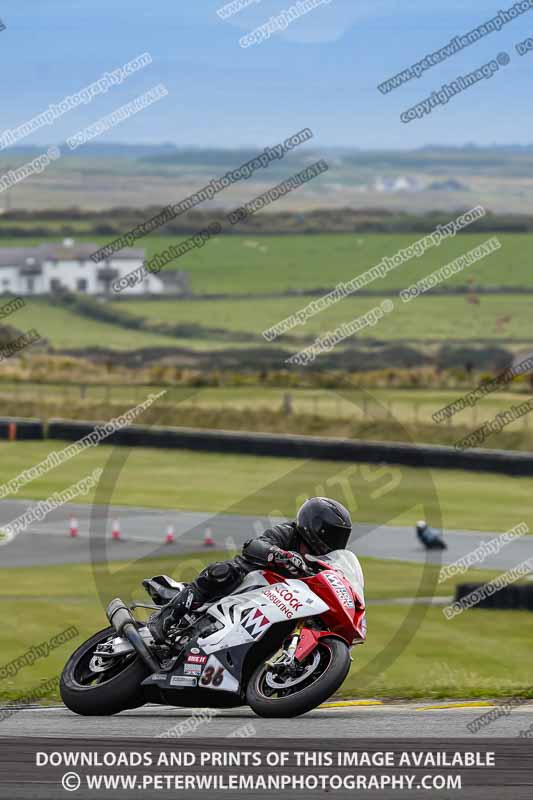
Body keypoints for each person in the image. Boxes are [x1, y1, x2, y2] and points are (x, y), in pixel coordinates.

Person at [149, 496, 352, 644]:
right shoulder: (288, 533)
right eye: (333, 535)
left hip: (281, 605)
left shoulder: (323, 562)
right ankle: (166, 616)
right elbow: (254, 545)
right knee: (222, 572)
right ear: (316, 526)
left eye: (341, 537)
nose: (336, 542)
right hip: (250, 583)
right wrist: (279, 555)